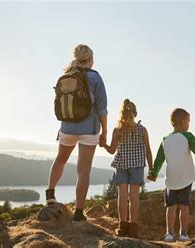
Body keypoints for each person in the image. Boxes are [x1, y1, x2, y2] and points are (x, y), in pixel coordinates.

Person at [46, 44, 108, 222]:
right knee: (84, 170)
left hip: (67, 127)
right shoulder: (95, 78)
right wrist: (104, 131)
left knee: (60, 159)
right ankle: (79, 213)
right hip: (89, 129)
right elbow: (102, 109)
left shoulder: (66, 76)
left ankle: (50, 193)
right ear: (90, 59)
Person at [148, 108, 195, 242]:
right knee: (184, 206)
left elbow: (158, 160)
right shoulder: (188, 136)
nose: (189, 125)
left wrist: (153, 173)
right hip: (186, 177)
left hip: (171, 179)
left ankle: (169, 234)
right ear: (183, 121)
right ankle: (184, 234)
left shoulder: (165, 140)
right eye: (188, 121)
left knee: (171, 207)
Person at [102, 99, 153, 238]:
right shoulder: (142, 130)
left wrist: (103, 144)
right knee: (134, 196)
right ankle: (133, 228)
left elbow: (112, 150)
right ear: (135, 113)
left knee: (122, 196)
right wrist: (152, 168)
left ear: (121, 114)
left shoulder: (117, 130)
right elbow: (148, 150)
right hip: (137, 166)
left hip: (121, 165)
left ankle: (122, 226)